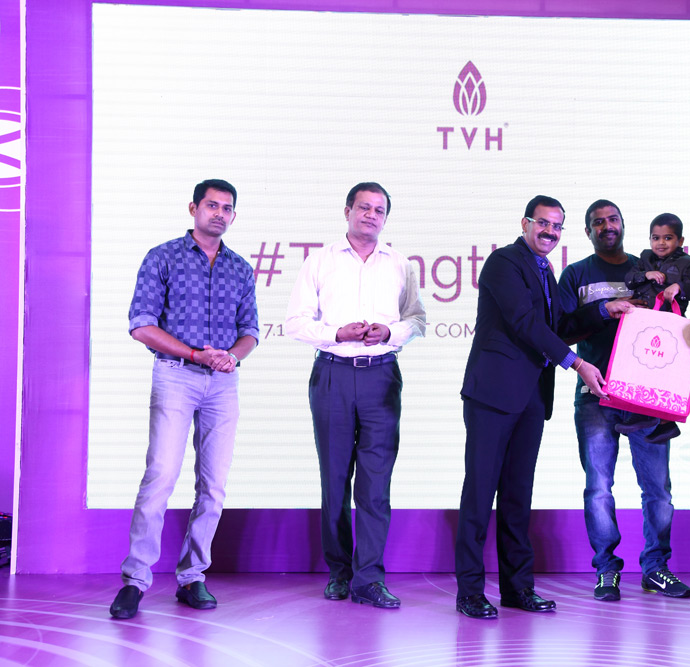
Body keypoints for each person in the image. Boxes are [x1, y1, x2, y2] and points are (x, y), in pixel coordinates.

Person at [455, 196, 612, 619]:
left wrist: (603, 309)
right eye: (543, 223)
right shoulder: (503, 262)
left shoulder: (546, 270)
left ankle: (518, 589)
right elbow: (524, 322)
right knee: (479, 494)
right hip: (492, 395)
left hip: (531, 397)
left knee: (517, 496)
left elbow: (558, 327)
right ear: (525, 223)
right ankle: (469, 592)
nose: (550, 232)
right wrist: (577, 363)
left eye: (557, 226)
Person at [110, 179, 258, 619]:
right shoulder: (163, 257)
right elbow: (141, 325)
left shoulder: (240, 268)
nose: (219, 213)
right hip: (175, 376)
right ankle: (135, 581)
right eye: (212, 205)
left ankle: (193, 577)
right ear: (193, 209)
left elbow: (250, 331)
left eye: (227, 208)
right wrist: (196, 354)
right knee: (160, 476)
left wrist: (232, 356)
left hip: (223, 384)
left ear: (234, 216)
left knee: (213, 486)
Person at [285, 182, 426, 609]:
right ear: (347, 211)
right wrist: (337, 333)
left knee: (375, 484)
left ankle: (369, 579)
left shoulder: (400, 264)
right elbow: (295, 322)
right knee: (334, 480)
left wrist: (390, 332)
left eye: (379, 210)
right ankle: (340, 572)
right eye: (364, 207)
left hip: (381, 377)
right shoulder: (320, 261)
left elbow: (417, 320)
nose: (371, 215)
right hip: (333, 374)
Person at [557, 200, 690, 602]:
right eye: (597, 222)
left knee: (658, 490)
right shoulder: (575, 274)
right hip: (595, 395)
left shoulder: (648, 268)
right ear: (588, 232)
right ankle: (606, 570)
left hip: (645, 398)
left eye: (612, 219)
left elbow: (674, 322)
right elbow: (560, 332)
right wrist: (604, 311)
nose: (606, 226)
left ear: (622, 224)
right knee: (598, 488)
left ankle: (656, 568)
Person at [623, 213, 690, 315]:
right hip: (640, 315)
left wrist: (679, 287)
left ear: (680, 241)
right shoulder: (645, 257)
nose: (661, 242)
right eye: (656, 238)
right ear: (650, 239)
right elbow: (629, 280)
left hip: (669, 320)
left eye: (668, 238)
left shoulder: (687, 263)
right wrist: (645, 275)